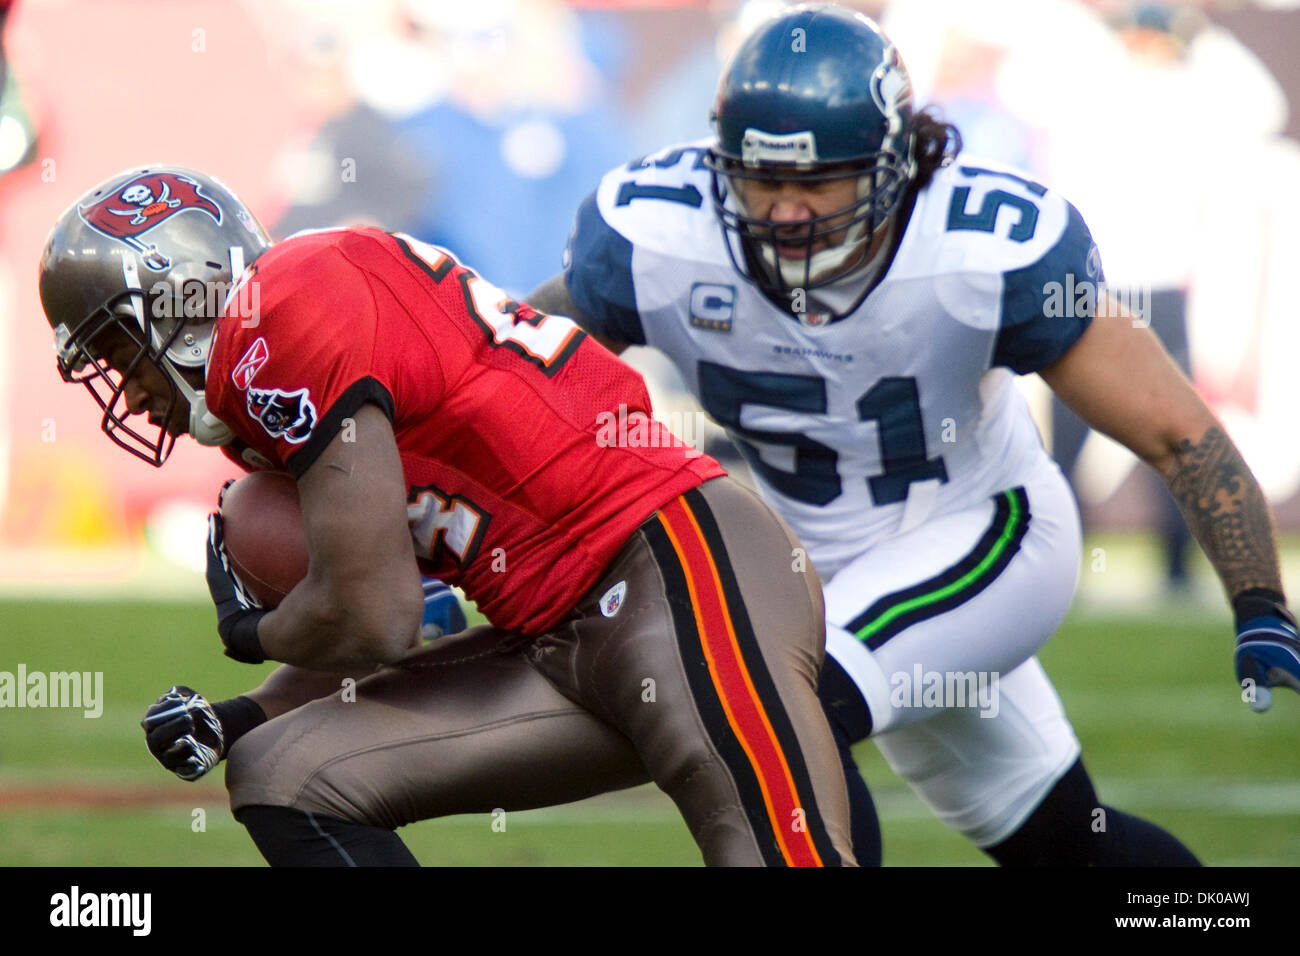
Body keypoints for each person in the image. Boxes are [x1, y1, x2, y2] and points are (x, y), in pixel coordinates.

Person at [528, 4, 1299, 866]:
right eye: (758, 179)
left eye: (818, 181)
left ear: (894, 167)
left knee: (778, 712)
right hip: (812, 567)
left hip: (984, 535)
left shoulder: (981, 248)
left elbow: (1177, 433)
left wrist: (1259, 600)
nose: (785, 213)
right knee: (1065, 843)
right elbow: (510, 372)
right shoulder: (656, 236)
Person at [37, 164, 857, 867]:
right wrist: (245, 712)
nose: (131, 392)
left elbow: (375, 617)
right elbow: (399, 600)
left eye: (119, 353)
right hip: (555, 636)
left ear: (180, 298)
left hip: (671, 564)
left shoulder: (291, 301)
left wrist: (252, 634)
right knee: (288, 772)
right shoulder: (262, 394)